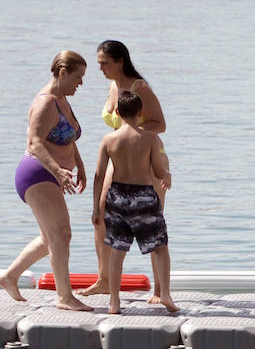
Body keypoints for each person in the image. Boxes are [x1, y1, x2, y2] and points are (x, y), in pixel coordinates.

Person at [0, 51, 92, 311]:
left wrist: (80, 166)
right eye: (78, 77)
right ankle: (64, 296)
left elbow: (68, 138)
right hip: (38, 172)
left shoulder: (63, 100)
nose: (81, 84)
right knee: (61, 234)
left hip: (52, 174)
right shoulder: (45, 103)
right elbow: (35, 142)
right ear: (62, 73)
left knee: (49, 237)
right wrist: (58, 170)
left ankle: (9, 276)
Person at [80, 40, 169, 302]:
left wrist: (132, 134)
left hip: (147, 156)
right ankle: (104, 280)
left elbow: (160, 124)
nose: (101, 69)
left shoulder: (139, 88)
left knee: (151, 222)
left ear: (120, 61)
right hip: (117, 156)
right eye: (99, 64)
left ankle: (159, 290)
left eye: (104, 63)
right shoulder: (111, 87)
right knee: (100, 216)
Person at [92, 90, 178, 315]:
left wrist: (96, 208)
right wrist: (166, 175)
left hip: (117, 195)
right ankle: (165, 294)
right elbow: (157, 170)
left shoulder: (109, 139)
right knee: (159, 247)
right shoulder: (149, 138)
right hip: (143, 196)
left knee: (117, 250)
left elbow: (99, 175)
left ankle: (114, 302)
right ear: (140, 113)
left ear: (118, 113)